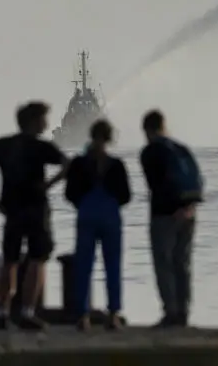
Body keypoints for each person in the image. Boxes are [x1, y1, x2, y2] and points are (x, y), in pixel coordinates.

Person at [0, 101, 68, 331]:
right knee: (37, 261)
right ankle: (28, 311)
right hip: (37, 209)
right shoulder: (42, 147)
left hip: (12, 210)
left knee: (9, 261)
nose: (46, 124)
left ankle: (2, 311)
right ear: (33, 121)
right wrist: (48, 185)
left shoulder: (3, 145)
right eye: (43, 119)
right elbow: (68, 166)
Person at [65, 119, 131, 331]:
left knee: (83, 266)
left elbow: (69, 193)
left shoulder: (78, 163)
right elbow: (126, 195)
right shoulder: (117, 165)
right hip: (111, 215)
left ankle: (82, 315)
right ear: (109, 138)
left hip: (86, 213)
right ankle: (113, 314)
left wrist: (82, 203)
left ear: (91, 136)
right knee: (113, 265)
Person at [140, 109, 204, 328]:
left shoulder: (150, 152)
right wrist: (188, 206)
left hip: (164, 214)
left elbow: (155, 184)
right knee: (183, 263)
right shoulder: (182, 149)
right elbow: (198, 178)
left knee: (164, 263)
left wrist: (172, 207)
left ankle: (171, 312)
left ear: (147, 130)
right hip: (190, 213)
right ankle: (184, 311)